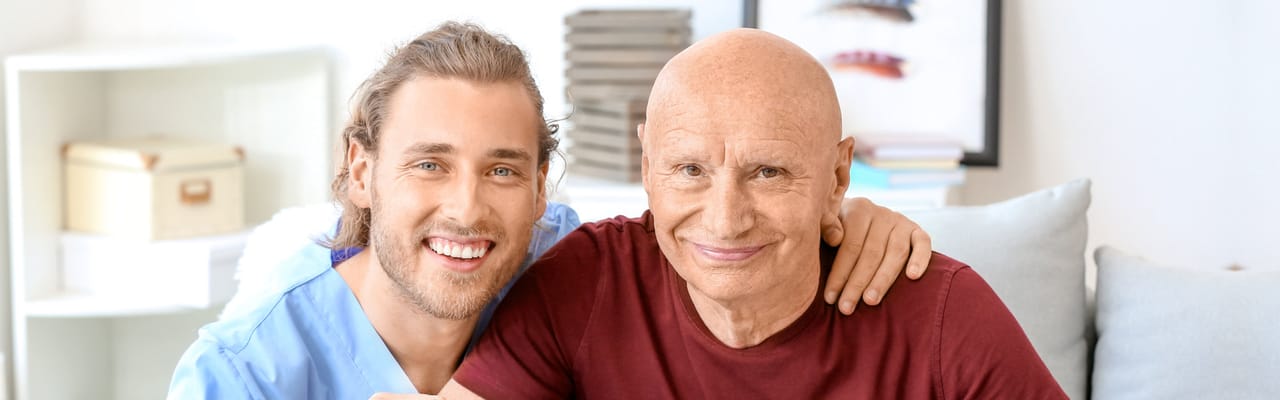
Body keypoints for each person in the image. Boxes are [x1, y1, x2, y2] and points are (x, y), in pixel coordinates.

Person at [167, 23, 935, 399]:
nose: (467, 208)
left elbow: (718, 237)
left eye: (501, 169)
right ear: (361, 170)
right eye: (429, 164)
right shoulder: (242, 374)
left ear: (541, 189)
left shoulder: (571, 266)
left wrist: (846, 219)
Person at [427, 29, 1067, 399]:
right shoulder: (583, 282)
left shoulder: (944, 314)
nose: (726, 219)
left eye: (769, 173)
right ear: (648, 166)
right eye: (690, 170)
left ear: (837, 177)